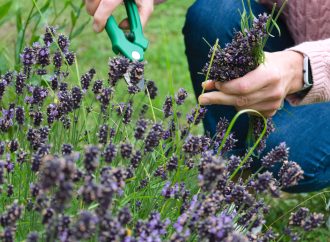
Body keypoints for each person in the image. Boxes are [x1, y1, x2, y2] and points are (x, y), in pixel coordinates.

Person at [85, 0, 330, 193]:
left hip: (315, 65)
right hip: (293, 41)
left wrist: (303, 68)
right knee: (215, 13)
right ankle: (229, 177)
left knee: (285, 153)